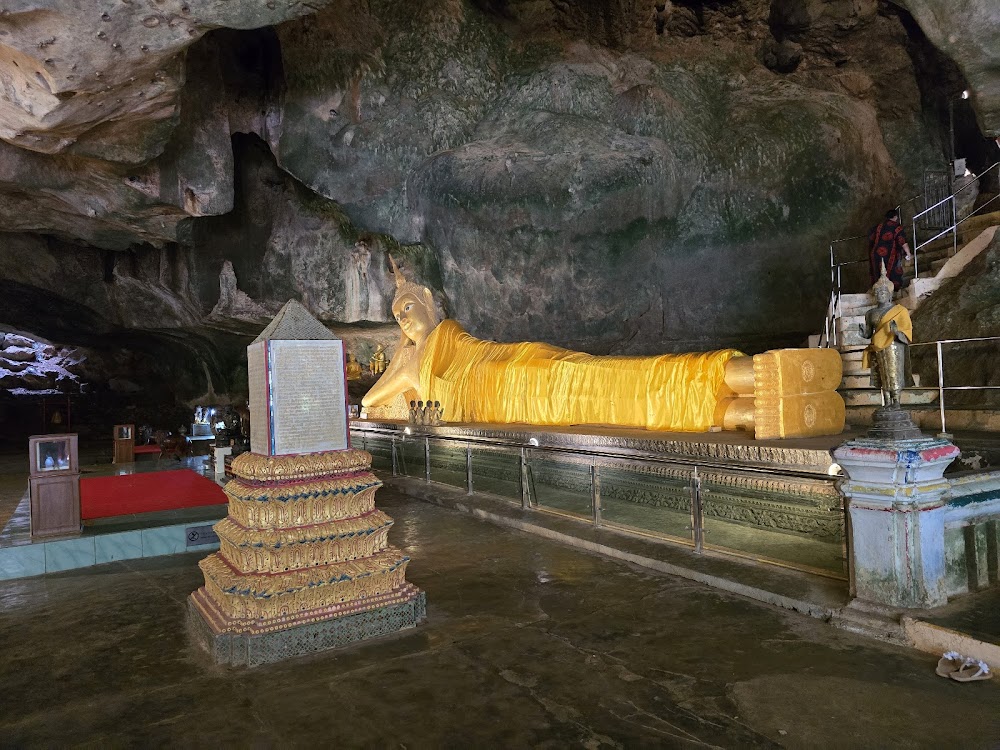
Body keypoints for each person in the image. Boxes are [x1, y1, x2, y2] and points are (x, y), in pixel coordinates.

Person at [859, 263, 912, 407]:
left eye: (883, 293)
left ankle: (896, 402)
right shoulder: (870, 313)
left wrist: (897, 332)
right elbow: (870, 332)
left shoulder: (899, 310)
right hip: (877, 347)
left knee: (894, 373)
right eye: (877, 293)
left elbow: (906, 330)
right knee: (882, 374)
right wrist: (864, 333)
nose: (879, 295)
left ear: (889, 295)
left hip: (894, 345)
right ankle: (887, 401)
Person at [868, 208, 912, 290]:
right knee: (893, 273)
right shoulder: (897, 227)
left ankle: (877, 290)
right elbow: (903, 242)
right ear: (895, 217)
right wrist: (908, 254)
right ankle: (893, 290)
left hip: (875, 254)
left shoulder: (878, 226)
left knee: (877, 273)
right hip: (889, 254)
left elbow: (871, 238)